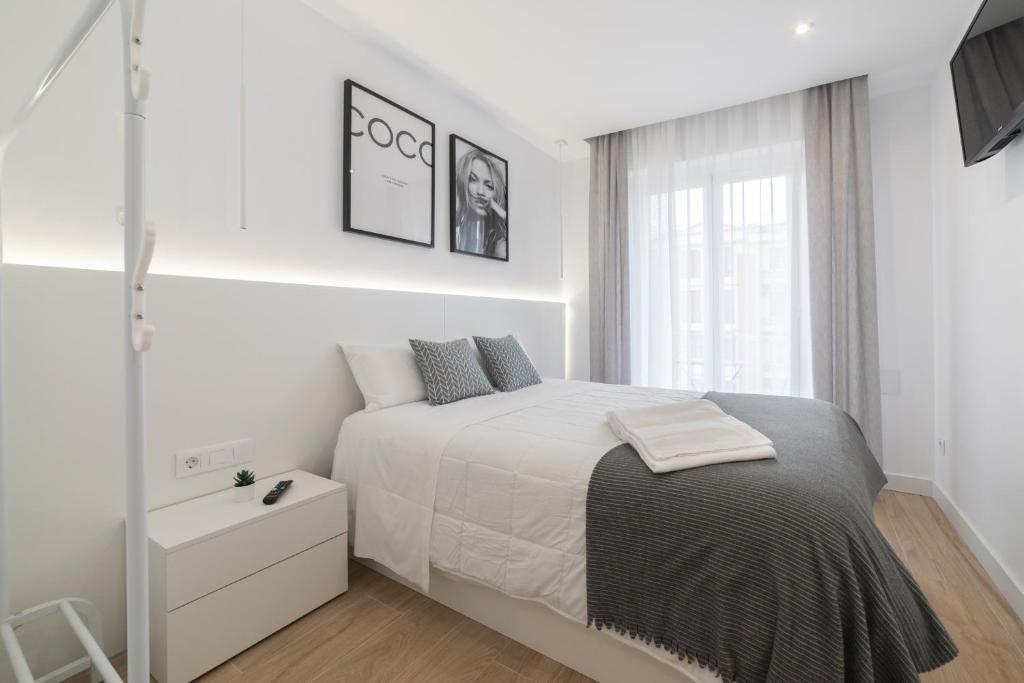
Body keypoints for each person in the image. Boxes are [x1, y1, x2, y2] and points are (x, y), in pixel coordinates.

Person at [453, 149, 507, 258]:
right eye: (473, 179)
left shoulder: (500, 246)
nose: (480, 191)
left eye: (489, 186)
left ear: (496, 193)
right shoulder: (458, 228)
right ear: (462, 183)